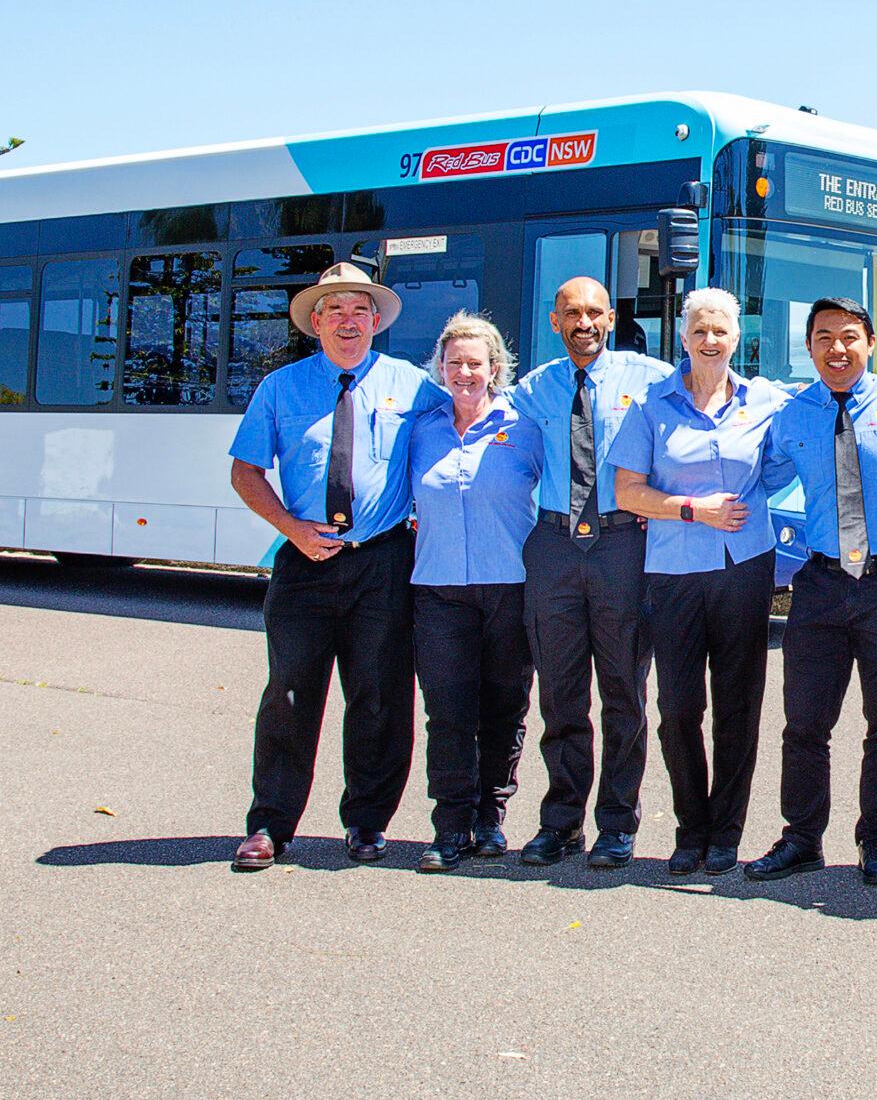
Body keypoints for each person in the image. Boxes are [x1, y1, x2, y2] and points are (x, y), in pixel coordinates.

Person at [223, 263, 445, 872]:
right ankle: (270, 824)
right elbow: (246, 472)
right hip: (303, 562)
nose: (348, 322)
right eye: (334, 311)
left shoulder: (417, 386)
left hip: (383, 562)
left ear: (377, 320)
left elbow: (466, 433)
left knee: (380, 697)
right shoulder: (280, 388)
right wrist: (291, 529)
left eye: (359, 310)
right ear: (315, 322)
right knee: (289, 695)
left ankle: (367, 823)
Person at [743, 299, 877, 887]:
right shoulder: (791, 415)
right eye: (823, 338)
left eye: (849, 337)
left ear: (871, 343)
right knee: (804, 723)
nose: (837, 350)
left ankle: (876, 839)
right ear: (809, 348)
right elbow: (752, 475)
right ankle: (802, 838)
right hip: (821, 585)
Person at [608, 288, 792, 877]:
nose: (710, 340)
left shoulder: (768, 400)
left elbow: (829, 405)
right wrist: (692, 507)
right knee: (679, 706)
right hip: (675, 570)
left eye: (721, 331)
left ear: (738, 337)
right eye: (699, 331)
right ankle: (690, 829)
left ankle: (726, 832)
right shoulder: (652, 405)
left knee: (738, 705)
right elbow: (626, 492)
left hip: (745, 567)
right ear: (683, 337)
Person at [509, 277, 673, 872]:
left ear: (611, 318)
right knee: (559, 692)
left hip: (622, 545)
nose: (584, 324)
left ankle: (617, 825)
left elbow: (722, 392)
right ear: (555, 322)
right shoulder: (533, 388)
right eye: (571, 314)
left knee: (624, 691)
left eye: (594, 313)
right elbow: (469, 412)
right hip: (553, 547)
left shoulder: (652, 378)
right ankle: (560, 822)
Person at [406, 313, 544, 872]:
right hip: (438, 590)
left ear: (495, 369)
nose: (464, 372)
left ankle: (491, 817)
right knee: (447, 712)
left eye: (475, 363)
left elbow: (565, 488)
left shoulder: (526, 428)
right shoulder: (420, 429)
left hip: (511, 588)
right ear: (440, 367)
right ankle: (449, 826)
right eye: (454, 362)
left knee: (505, 709)